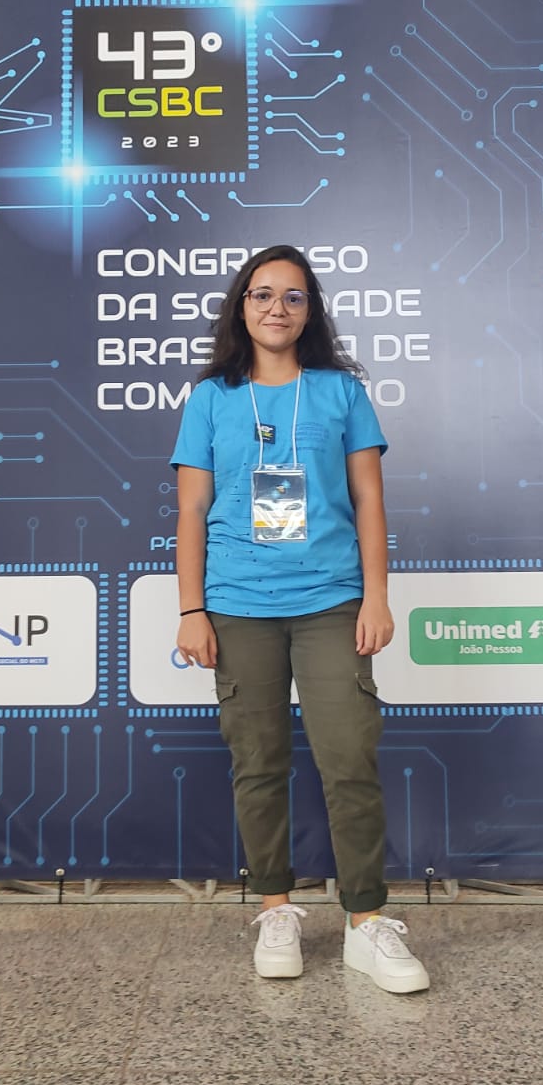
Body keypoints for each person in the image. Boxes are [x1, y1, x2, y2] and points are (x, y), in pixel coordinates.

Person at [170, 244, 429, 993]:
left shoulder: (340, 392)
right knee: (258, 761)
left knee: (349, 758)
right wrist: (191, 608)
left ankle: (365, 922)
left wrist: (376, 595)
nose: (276, 308)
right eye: (262, 294)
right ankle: (276, 908)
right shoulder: (212, 398)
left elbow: (370, 499)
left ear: (309, 311)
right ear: (241, 307)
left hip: (331, 601)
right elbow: (190, 509)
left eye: (292, 296)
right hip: (238, 605)